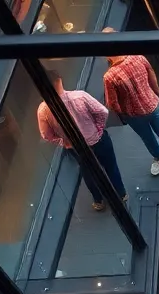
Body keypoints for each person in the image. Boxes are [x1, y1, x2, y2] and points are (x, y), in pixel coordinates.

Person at [101, 32, 159, 184]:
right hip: (153, 104)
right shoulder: (139, 57)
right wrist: (157, 92)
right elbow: (151, 73)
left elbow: (112, 103)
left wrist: (123, 113)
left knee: (148, 138)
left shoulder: (109, 77)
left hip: (134, 114)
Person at [37, 70, 126, 212]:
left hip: (76, 148)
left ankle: (99, 201)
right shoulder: (80, 96)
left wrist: (63, 141)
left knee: (89, 173)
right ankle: (121, 194)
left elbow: (46, 135)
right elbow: (102, 112)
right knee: (111, 166)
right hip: (97, 139)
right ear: (59, 80)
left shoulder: (43, 110)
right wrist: (98, 127)